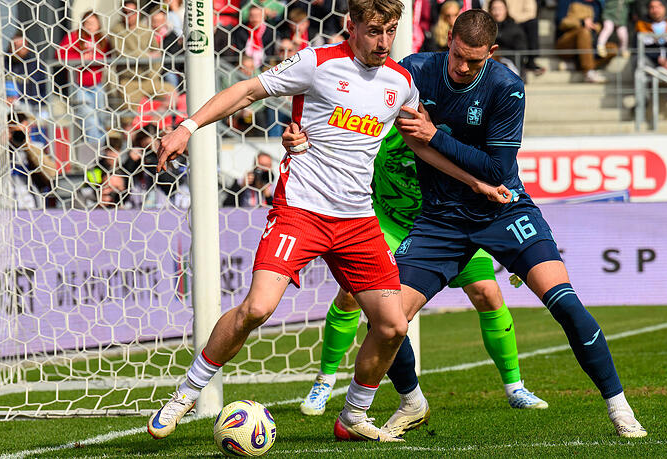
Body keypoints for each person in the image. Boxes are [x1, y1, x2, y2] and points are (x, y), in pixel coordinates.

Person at [146, 0, 509, 443]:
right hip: (301, 210)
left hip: (357, 220)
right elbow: (246, 91)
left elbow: (422, 145)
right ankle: (186, 393)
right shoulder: (315, 63)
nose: (383, 41)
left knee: (393, 325)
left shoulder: (401, 81)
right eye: (374, 31)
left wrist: (476, 182)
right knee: (257, 309)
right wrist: (187, 126)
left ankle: (353, 414)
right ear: (350, 27)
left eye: (390, 30)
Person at [380, 9, 647, 438]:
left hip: (504, 209)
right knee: (386, 320)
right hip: (441, 219)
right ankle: (412, 401)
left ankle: (619, 408)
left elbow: (497, 170)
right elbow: (370, 109)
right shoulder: (414, 71)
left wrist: (437, 136)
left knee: (565, 304)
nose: (463, 67)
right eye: (458, 56)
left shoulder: (506, 87)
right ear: (449, 38)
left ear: (493, 52)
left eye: (475, 60)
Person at [294, 126, 548, 418]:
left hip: (449, 224)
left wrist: (515, 248)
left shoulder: (450, 133)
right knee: (350, 294)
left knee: (487, 293)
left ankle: (515, 387)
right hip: (389, 225)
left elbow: (498, 175)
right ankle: (324, 381)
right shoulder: (381, 127)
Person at [55, 11, 110, 148]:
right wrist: (80, 59)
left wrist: (95, 58)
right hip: (79, 86)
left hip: (97, 85)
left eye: (93, 23)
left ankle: (101, 151)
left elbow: (108, 57)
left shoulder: (102, 40)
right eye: (87, 23)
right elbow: (60, 55)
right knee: (89, 119)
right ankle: (99, 151)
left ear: (98, 25)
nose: (90, 26)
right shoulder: (74, 37)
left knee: (101, 118)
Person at [555, 0, 615, 83]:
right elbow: (561, 23)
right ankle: (588, 72)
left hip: (591, 42)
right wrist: (581, 22)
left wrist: (595, 26)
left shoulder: (597, 4)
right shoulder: (566, 1)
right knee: (584, 32)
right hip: (567, 42)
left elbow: (600, 24)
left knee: (613, 48)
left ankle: (576, 65)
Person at [5, 32, 50, 119]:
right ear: (10, 47)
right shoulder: (2, 64)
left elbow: (43, 91)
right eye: (16, 46)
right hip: (7, 106)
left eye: (22, 46)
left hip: (31, 106)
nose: (18, 49)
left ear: (28, 47)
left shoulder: (35, 66)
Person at [505, 0, 546, 75]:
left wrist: (512, 19)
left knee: (532, 24)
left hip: (519, 22)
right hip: (501, 22)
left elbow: (531, 13)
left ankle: (530, 60)